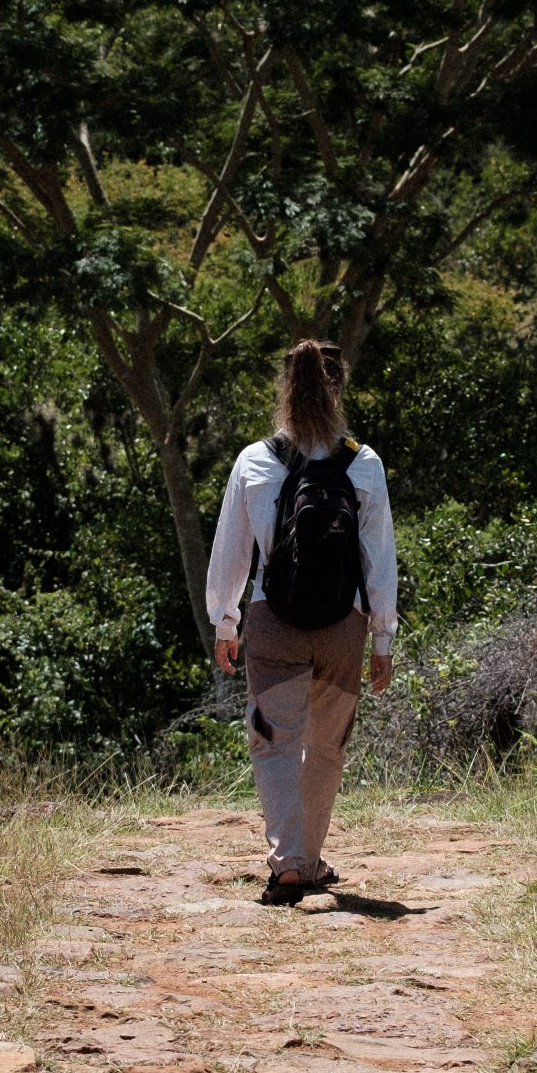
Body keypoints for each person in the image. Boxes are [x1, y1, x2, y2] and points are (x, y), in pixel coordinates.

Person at [206, 339, 397, 902]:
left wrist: (225, 621)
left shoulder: (255, 461)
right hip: (345, 626)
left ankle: (289, 865)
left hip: (273, 620)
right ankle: (308, 861)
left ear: (284, 390)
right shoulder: (362, 462)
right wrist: (381, 637)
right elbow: (378, 559)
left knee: (275, 741)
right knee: (327, 744)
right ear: (338, 388)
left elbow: (231, 553)